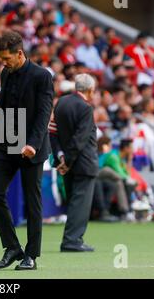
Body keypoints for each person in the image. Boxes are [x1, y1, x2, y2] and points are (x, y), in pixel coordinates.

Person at [0, 31, 53, 270]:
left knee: (32, 201)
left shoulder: (42, 76)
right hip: (7, 144)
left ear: (20, 53)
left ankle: (31, 256)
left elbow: (44, 112)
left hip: (31, 147)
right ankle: (13, 248)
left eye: (7, 58)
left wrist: (33, 144)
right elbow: (4, 105)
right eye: (1, 59)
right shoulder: (6, 72)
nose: (4, 63)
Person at [49, 73, 98, 252]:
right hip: (83, 163)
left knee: (73, 202)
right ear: (90, 90)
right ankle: (72, 240)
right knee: (81, 204)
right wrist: (68, 160)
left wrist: (60, 157)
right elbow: (80, 139)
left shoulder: (61, 102)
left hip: (66, 163)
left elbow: (52, 132)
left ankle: (71, 238)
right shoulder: (86, 108)